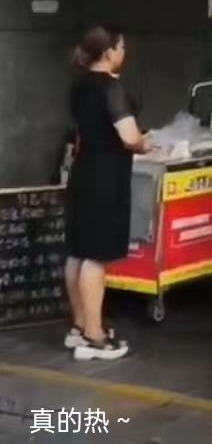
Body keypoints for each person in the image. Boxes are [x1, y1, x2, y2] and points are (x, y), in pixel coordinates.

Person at [64, 27, 151, 361]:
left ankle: (79, 327)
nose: (124, 52)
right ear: (109, 51)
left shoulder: (80, 84)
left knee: (77, 252)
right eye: (122, 46)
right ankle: (94, 337)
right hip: (105, 178)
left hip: (83, 173)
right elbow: (129, 136)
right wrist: (146, 143)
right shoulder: (110, 87)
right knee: (95, 257)